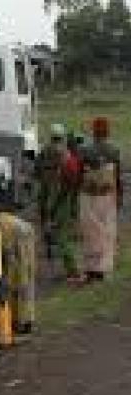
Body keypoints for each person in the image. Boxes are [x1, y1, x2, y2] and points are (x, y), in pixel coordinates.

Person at [80, 117, 121, 281]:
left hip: (88, 195)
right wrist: (119, 195)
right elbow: (117, 175)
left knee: (90, 231)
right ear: (107, 130)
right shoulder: (114, 149)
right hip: (107, 195)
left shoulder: (85, 149)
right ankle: (104, 268)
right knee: (107, 230)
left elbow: (79, 172)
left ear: (94, 130)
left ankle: (91, 269)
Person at [37, 124, 80, 281]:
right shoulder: (65, 155)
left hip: (47, 193)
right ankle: (71, 269)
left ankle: (49, 247)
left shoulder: (44, 152)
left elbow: (37, 171)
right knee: (62, 231)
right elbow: (72, 181)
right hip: (59, 196)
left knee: (48, 224)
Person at [0, 191, 36, 335]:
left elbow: (0, 247)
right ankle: (26, 319)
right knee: (25, 286)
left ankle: (12, 321)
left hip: (10, 256)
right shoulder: (24, 223)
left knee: (9, 288)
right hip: (25, 257)